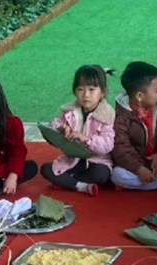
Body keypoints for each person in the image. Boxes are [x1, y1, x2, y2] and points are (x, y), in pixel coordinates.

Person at [40, 64, 116, 196]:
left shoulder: (106, 115)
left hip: (96, 161)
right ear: (75, 91)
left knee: (101, 174)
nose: (86, 95)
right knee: (45, 169)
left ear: (103, 92)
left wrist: (87, 139)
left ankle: (67, 182)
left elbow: (107, 145)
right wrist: (60, 128)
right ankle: (81, 186)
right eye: (80, 89)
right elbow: (55, 125)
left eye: (92, 89)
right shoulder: (70, 111)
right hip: (73, 160)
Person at [110, 61, 157, 191]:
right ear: (140, 96)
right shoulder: (121, 118)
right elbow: (121, 148)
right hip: (134, 166)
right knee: (117, 175)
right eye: (156, 90)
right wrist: (139, 169)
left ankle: (138, 183)